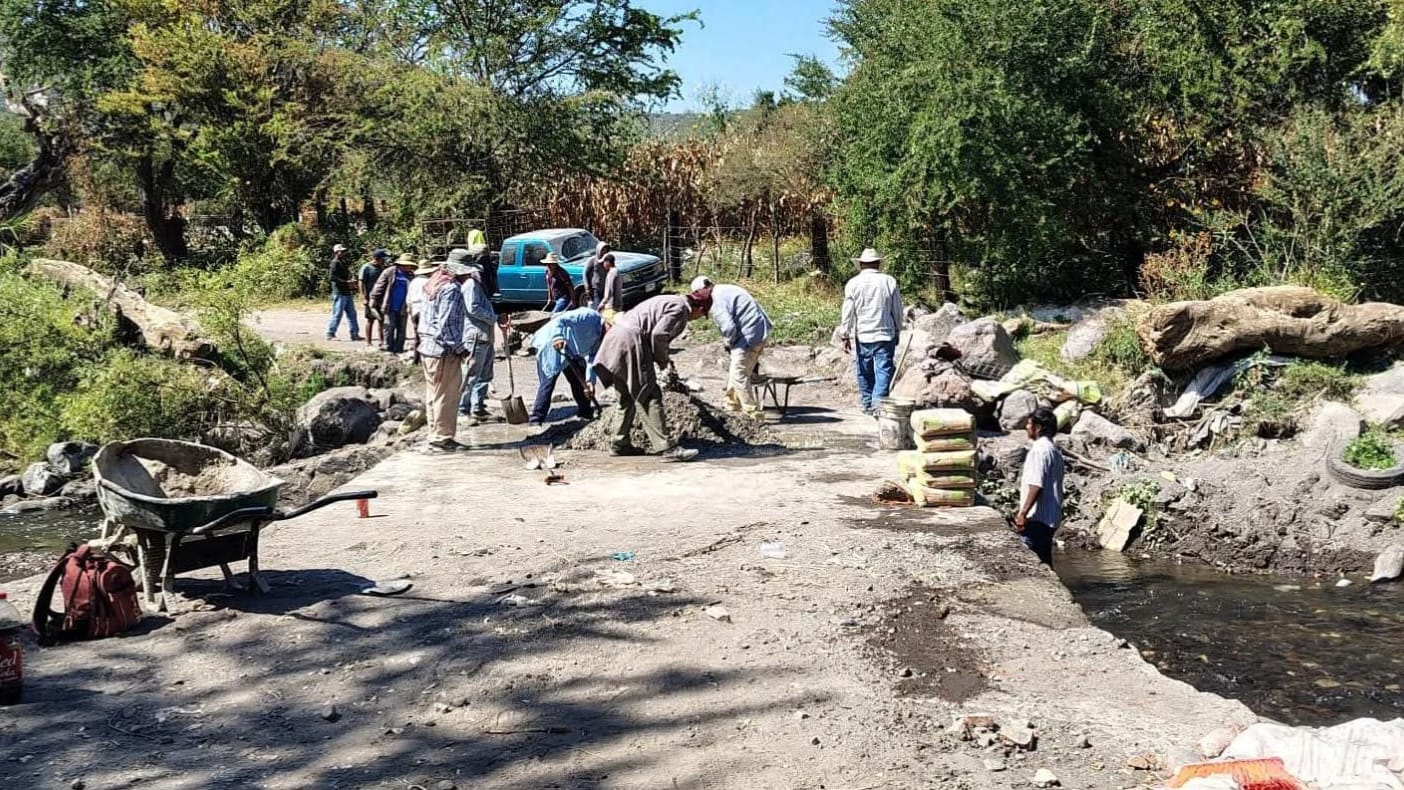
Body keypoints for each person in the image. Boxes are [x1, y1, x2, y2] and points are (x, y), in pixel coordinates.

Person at [593, 291, 711, 462]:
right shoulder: (680, 309)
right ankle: (667, 448)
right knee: (648, 394)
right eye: (702, 314)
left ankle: (619, 443)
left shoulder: (669, 300)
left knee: (625, 397)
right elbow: (659, 335)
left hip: (616, 338)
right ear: (699, 308)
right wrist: (663, 361)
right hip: (630, 342)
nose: (698, 317)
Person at [691, 276, 772, 416]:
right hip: (758, 330)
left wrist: (728, 342)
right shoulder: (725, 289)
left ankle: (751, 411)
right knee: (736, 370)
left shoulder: (716, 300)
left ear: (703, 290)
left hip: (749, 336)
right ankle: (731, 404)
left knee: (738, 374)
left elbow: (728, 327)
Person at [839, 247, 903, 415]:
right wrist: (898, 329)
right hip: (885, 333)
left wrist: (844, 334)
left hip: (864, 334)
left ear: (861, 265)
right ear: (878, 264)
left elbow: (848, 311)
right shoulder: (889, 281)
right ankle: (878, 404)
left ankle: (868, 402)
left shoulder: (853, 284)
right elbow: (897, 310)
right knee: (883, 369)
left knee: (864, 370)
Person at [417, 260, 474, 450]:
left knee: (433, 394)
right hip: (443, 352)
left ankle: (434, 433)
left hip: (428, 349)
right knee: (447, 396)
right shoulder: (452, 289)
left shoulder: (432, 284)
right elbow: (446, 325)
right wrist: (461, 349)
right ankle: (442, 437)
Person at [529, 307, 605, 426]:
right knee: (548, 383)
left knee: (580, 381)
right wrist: (558, 336)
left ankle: (585, 414)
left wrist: (590, 381)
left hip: (571, 352)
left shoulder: (602, 338)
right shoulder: (589, 316)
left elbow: (592, 359)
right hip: (551, 344)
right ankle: (535, 420)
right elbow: (560, 320)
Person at [451, 248, 498, 424]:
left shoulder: (478, 283)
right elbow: (473, 308)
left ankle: (478, 407)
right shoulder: (470, 285)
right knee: (470, 375)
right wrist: (492, 317)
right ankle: (463, 410)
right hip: (475, 335)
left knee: (485, 374)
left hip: (485, 335)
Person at [1014, 407, 1066, 565]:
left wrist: (1023, 513)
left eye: (1029, 424)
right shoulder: (1054, 451)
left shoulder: (1039, 450)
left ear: (1037, 428)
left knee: (1031, 564)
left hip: (1037, 519)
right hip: (1050, 518)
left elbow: (1036, 485)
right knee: (1045, 563)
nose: (1026, 427)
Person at [371, 253, 416, 354]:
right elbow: (379, 286)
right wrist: (373, 300)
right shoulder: (390, 272)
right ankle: (388, 348)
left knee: (401, 330)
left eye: (409, 265)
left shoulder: (411, 275)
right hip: (390, 305)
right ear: (400, 264)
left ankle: (399, 349)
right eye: (405, 265)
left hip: (403, 306)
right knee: (389, 327)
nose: (408, 267)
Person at [326, 243, 361, 341]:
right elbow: (332, 277)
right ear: (336, 252)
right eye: (341, 251)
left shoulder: (343, 262)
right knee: (337, 314)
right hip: (339, 292)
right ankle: (330, 333)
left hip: (347, 292)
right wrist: (346, 282)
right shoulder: (335, 263)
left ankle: (354, 334)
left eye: (344, 251)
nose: (343, 253)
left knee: (352, 314)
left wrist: (351, 281)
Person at [358, 250, 389, 348]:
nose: (384, 261)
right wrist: (363, 297)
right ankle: (368, 342)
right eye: (383, 259)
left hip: (381, 298)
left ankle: (381, 341)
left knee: (381, 319)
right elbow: (361, 282)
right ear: (377, 258)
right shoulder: (366, 268)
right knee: (370, 320)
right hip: (370, 298)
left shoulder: (382, 268)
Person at [408, 259, 438, 358]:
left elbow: (408, 299)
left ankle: (416, 358)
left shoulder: (413, 282)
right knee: (427, 334)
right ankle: (425, 356)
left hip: (415, 309)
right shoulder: (429, 282)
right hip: (424, 310)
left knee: (417, 335)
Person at [583, 241, 611, 309]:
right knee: (598, 306)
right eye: (603, 250)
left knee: (607, 307)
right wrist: (587, 287)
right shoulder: (592, 260)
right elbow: (585, 274)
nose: (604, 252)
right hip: (596, 289)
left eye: (606, 250)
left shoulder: (608, 261)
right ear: (598, 250)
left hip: (606, 288)